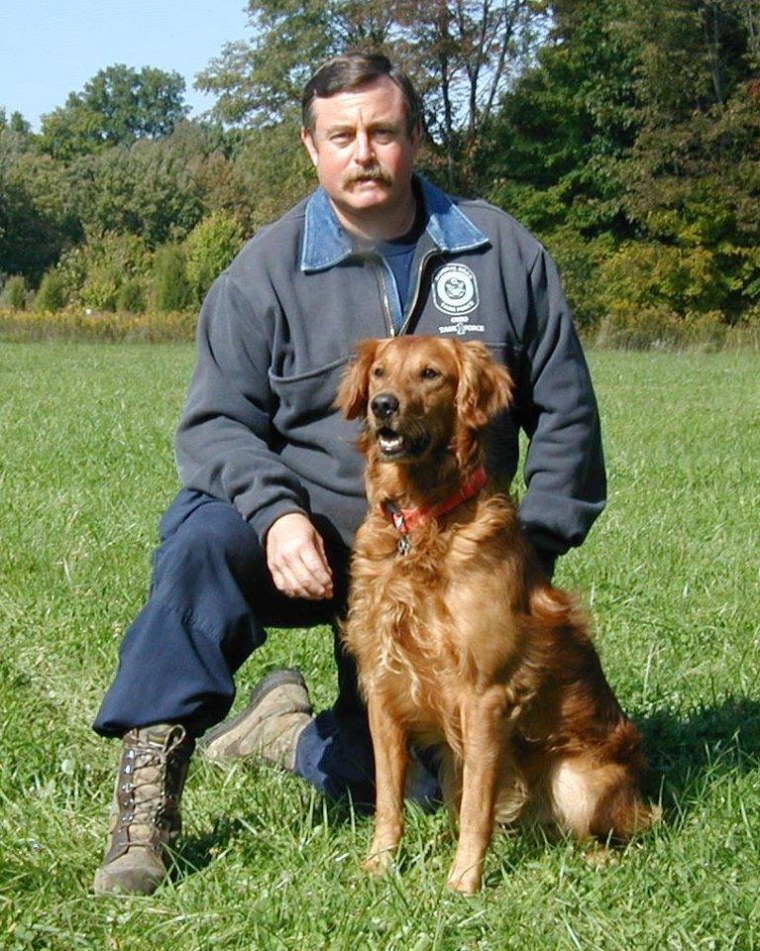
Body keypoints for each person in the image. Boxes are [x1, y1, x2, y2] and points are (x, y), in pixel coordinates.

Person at [91, 52, 606, 896]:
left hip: (459, 554)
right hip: (319, 542)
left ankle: (288, 732)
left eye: (382, 131)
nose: (363, 152)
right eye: (342, 136)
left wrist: (530, 553)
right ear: (311, 147)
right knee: (197, 541)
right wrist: (275, 512)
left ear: (413, 138)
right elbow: (214, 424)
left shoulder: (501, 253)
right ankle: (146, 801)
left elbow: (570, 418)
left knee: (409, 776)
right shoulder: (263, 271)